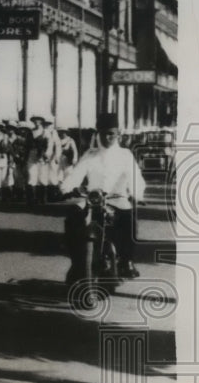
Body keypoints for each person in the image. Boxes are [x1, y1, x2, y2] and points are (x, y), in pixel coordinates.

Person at [59, 112, 146, 281]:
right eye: (104, 133)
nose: (108, 137)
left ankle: (126, 261)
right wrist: (66, 188)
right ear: (98, 134)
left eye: (111, 133)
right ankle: (77, 262)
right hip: (93, 200)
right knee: (72, 216)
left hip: (117, 199)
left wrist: (137, 193)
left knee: (129, 217)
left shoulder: (125, 155)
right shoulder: (90, 154)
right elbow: (76, 174)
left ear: (117, 134)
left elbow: (135, 177)